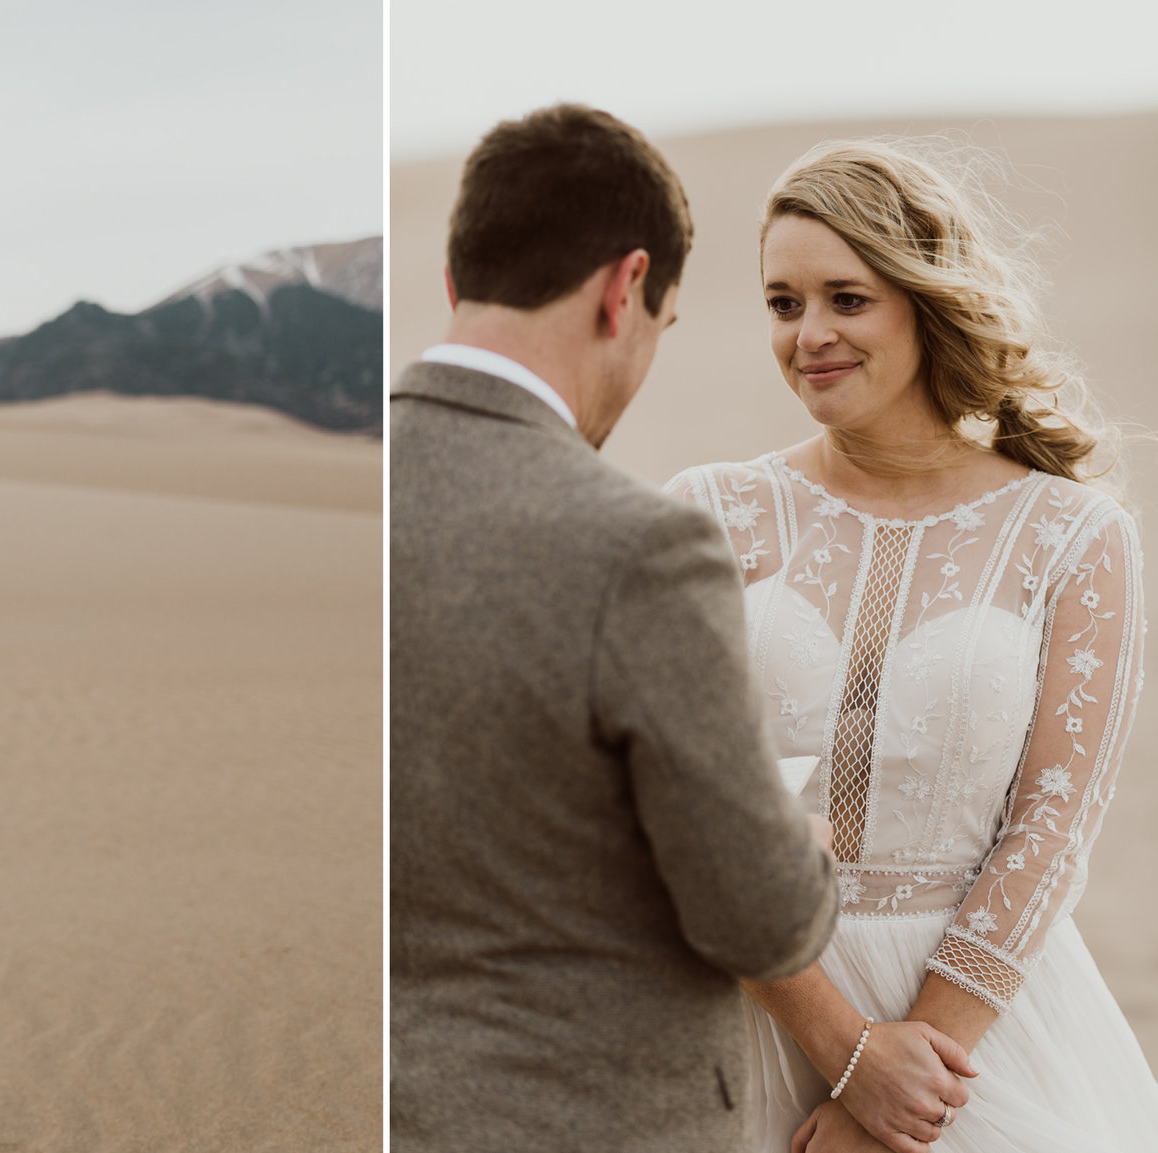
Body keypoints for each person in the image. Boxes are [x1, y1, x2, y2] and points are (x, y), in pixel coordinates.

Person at [665, 138, 1158, 1153]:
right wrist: (843, 1048)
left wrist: (898, 1091)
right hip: (740, 1015)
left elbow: (1050, 830)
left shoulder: (1071, 535)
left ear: (923, 300)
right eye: (782, 302)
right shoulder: (708, 515)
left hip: (979, 1047)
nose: (808, 335)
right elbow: (677, 809)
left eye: (846, 298)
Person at [389, 103, 840, 1151]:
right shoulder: (639, 548)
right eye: (659, 329)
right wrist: (802, 846)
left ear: (458, 284)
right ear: (625, 287)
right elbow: (757, 916)